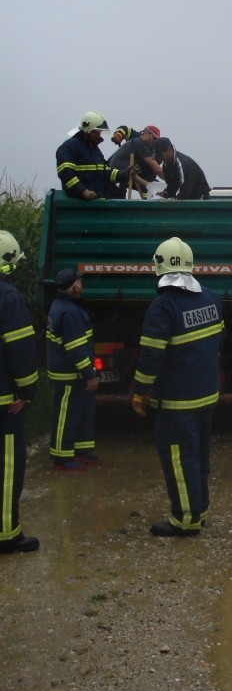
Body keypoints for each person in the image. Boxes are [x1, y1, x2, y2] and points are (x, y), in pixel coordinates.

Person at [132, 237, 224, 536]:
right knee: (198, 456)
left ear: (160, 265)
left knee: (178, 459)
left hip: (176, 401)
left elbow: (150, 356)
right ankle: (200, 508)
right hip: (206, 396)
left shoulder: (162, 307)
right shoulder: (210, 298)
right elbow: (218, 343)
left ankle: (185, 519)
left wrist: (140, 390)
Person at [0, 231, 40, 554]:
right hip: (4, 402)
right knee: (7, 467)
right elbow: (22, 350)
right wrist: (26, 390)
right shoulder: (8, 298)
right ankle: (6, 534)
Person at [46, 268, 99, 470]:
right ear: (75, 287)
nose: (81, 284)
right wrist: (89, 374)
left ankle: (81, 450)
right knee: (66, 414)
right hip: (69, 374)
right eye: (79, 281)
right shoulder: (70, 313)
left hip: (70, 372)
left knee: (81, 410)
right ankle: (61, 456)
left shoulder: (62, 306)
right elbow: (76, 350)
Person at [56, 110, 133, 200]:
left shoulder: (95, 150)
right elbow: (65, 173)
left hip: (96, 204)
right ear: (87, 129)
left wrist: (125, 173)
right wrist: (83, 191)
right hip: (78, 205)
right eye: (96, 132)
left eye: (99, 132)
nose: (99, 135)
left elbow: (106, 172)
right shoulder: (70, 146)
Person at [107, 125, 164, 197]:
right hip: (115, 177)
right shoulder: (141, 145)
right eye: (154, 138)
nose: (155, 142)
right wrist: (172, 179)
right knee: (117, 201)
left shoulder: (142, 145)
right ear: (146, 133)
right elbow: (158, 170)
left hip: (121, 178)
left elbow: (146, 182)